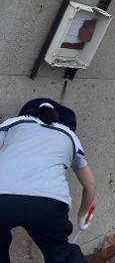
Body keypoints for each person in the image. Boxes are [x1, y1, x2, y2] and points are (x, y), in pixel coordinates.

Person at [0, 101, 96, 263]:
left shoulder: (14, 122)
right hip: (49, 202)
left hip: (2, 196)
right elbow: (90, 186)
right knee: (61, 252)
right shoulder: (69, 135)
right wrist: (81, 216)